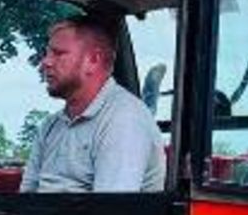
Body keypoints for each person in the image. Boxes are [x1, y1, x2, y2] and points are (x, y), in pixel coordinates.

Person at [20, 15, 166, 193]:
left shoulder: (124, 120)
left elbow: (109, 214)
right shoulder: (51, 126)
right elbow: (26, 197)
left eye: (58, 54)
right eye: (47, 53)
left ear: (93, 60)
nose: (45, 63)